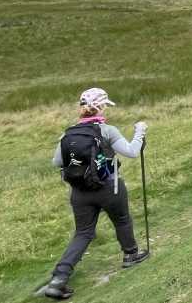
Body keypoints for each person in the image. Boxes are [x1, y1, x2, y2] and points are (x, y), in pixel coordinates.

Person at [42, 88, 150, 300]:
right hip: (109, 187)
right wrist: (140, 131)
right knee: (121, 219)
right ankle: (130, 255)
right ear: (100, 107)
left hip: (79, 192)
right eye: (105, 105)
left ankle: (59, 279)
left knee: (83, 233)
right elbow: (131, 152)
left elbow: (56, 162)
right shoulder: (107, 130)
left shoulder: (67, 134)